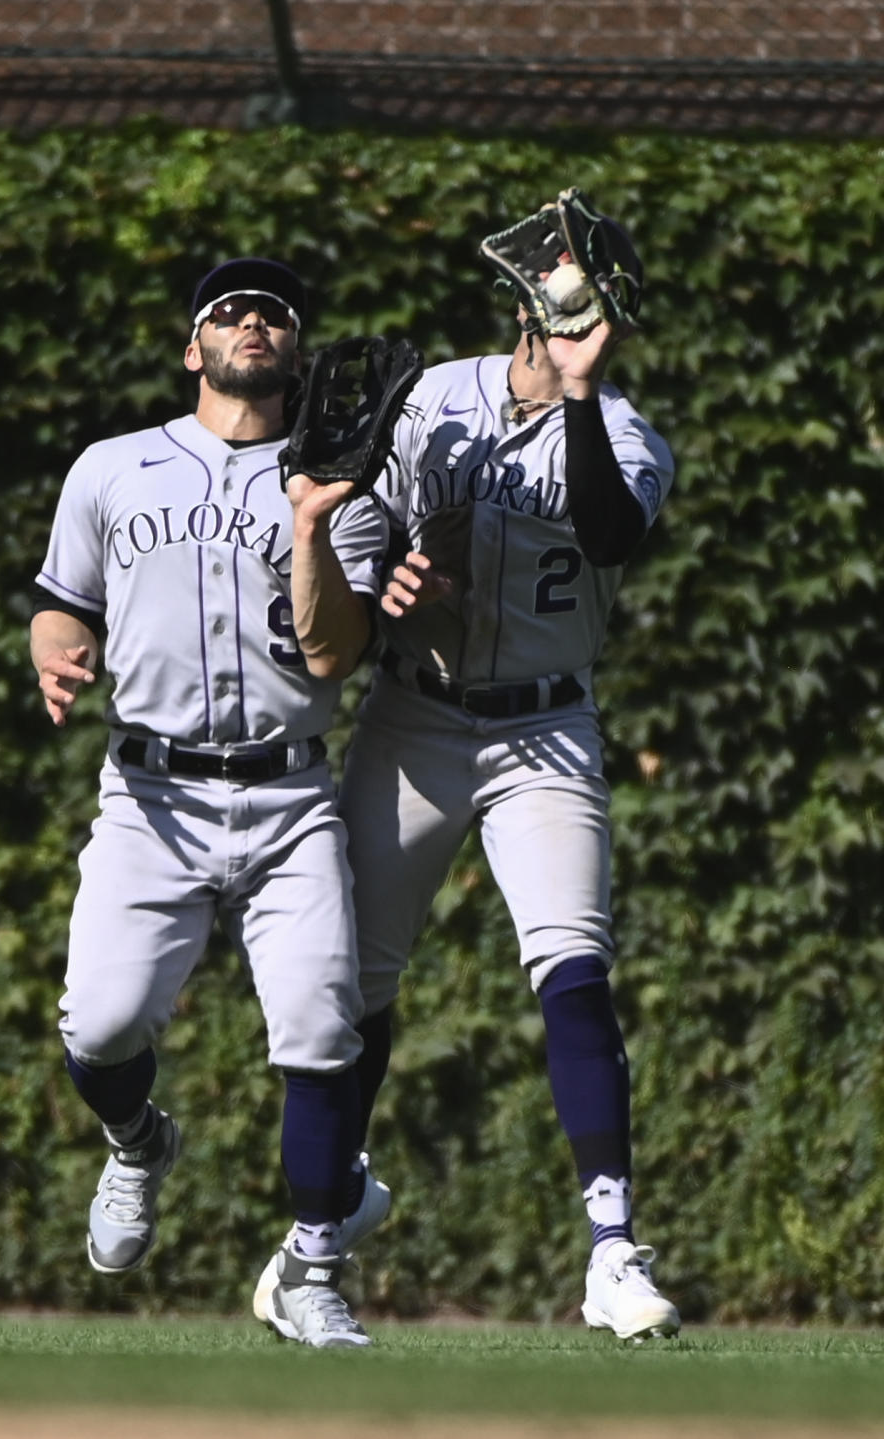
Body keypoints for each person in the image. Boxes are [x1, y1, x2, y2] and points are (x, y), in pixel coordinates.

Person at [256, 205, 681, 1341]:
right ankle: (316, 1235)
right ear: (526, 301)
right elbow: (350, 552)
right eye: (563, 293)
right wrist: (388, 571)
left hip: (545, 729)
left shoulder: (627, 431)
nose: (576, 313)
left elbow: (606, 534)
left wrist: (582, 393)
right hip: (416, 715)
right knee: (355, 987)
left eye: (594, 296)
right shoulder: (434, 393)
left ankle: (612, 1246)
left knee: (574, 965)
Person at [30, 256, 391, 1348]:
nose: (249, 323)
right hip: (151, 794)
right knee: (97, 1024)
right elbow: (58, 603)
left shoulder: (340, 479)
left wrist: (317, 523)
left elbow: (333, 654)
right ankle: (139, 1139)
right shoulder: (111, 467)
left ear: (295, 347)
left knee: (326, 1029)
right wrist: (57, 653)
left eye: (271, 312)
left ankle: (313, 1267)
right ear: (194, 347)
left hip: (289, 793)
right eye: (226, 312)